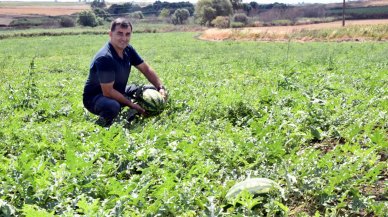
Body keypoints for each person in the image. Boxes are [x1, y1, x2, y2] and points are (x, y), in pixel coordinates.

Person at [83, 17, 167, 126]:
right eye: (120, 33)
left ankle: (139, 114)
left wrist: (160, 87)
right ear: (110, 34)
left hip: (118, 90)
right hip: (95, 97)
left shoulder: (128, 50)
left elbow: (146, 69)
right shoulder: (105, 57)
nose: (124, 38)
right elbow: (108, 92)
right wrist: (131, 104)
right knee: (113, 106)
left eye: (127, 34)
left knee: (152, 90)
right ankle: (101, 125)